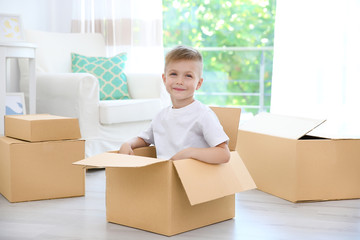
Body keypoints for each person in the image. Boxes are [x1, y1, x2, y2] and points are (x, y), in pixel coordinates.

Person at [118, 45, 230, 164]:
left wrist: (190, 153)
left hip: (191, 178)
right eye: (173, 74)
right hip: (165, 176)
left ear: (198, 83)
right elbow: (144, 139)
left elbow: (224, 154)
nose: (179, 81)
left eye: (188, 76)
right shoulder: (161, 116)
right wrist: (127, 144)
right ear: (164, 79)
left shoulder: (203, 115)